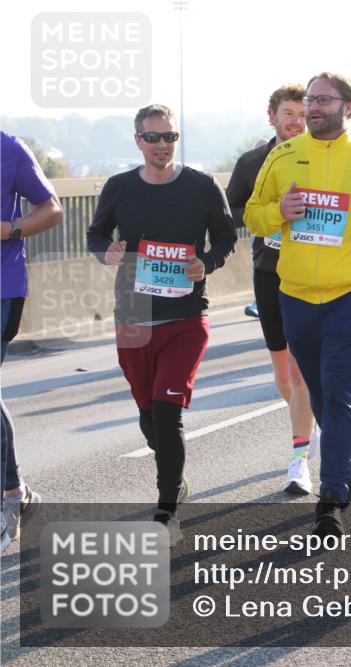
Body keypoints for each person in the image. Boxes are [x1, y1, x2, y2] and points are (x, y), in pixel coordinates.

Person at [87, 104, 237, 545]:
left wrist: (205, 263)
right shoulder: (119, 187)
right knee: (149, 419)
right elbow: (96, 236)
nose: (161, 145)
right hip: (133, 315)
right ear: (138, 140)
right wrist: (107, 252)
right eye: (152, 137)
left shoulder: (202, 186)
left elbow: (227, 238)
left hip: (186, 316)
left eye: (169, 137)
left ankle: (166, 508)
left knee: (168, 413)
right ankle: (174, 475)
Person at [244, 72, 351, 538]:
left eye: (323, 100)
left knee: (339, 392)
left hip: (349, 296)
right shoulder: (282, 156)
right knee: (321, 397)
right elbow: (252, 215)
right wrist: (279, 212)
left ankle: (332, 496)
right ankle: (347, 451)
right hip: (295, 296)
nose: (313, 108)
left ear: (349, 107)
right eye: (309, 100)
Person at [226, 84, 320, 494]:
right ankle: (327, 435)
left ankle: (300, 461)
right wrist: (271, 215)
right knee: (283, 375)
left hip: (311, 273)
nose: (296, 120)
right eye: (288, 113)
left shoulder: (323, 157)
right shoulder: (252, 162)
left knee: (300, 372)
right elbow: (231, 212)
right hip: (268, 271)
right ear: (272, 116)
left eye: (302, 113)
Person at [0, 132, 63, 550]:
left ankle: (8, 498)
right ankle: (15, 492)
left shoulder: (9, 148)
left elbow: (52, 209)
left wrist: (11, 228)